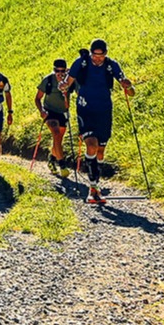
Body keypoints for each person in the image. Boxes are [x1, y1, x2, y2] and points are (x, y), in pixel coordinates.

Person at [68, 38, 134, 204]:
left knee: (101, 150)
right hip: (85, 108)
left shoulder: (112, 65)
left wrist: (129, 86)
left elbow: (130, 92)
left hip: (104, 109)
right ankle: (93, 188)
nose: (97, 59)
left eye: (101, 55)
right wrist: (63, 86)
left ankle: (95, 184)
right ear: (90, 53)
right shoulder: (81, 63)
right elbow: (67, 83)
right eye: (95, 55)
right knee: (91, 143)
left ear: (106, 54)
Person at [35, 59, 72, 173]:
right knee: (55, 133)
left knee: (58, 140)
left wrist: (65, 94)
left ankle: (51, 159)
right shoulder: (48, 80)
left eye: (62, 71)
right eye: (57, 70)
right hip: (49, 111)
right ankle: (62, 165)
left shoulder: (69, 82)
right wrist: (41, 111)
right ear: (54, 70)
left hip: (62, 112)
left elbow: (67, 105)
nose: (59, 73)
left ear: (66, 71)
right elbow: (37, 98)